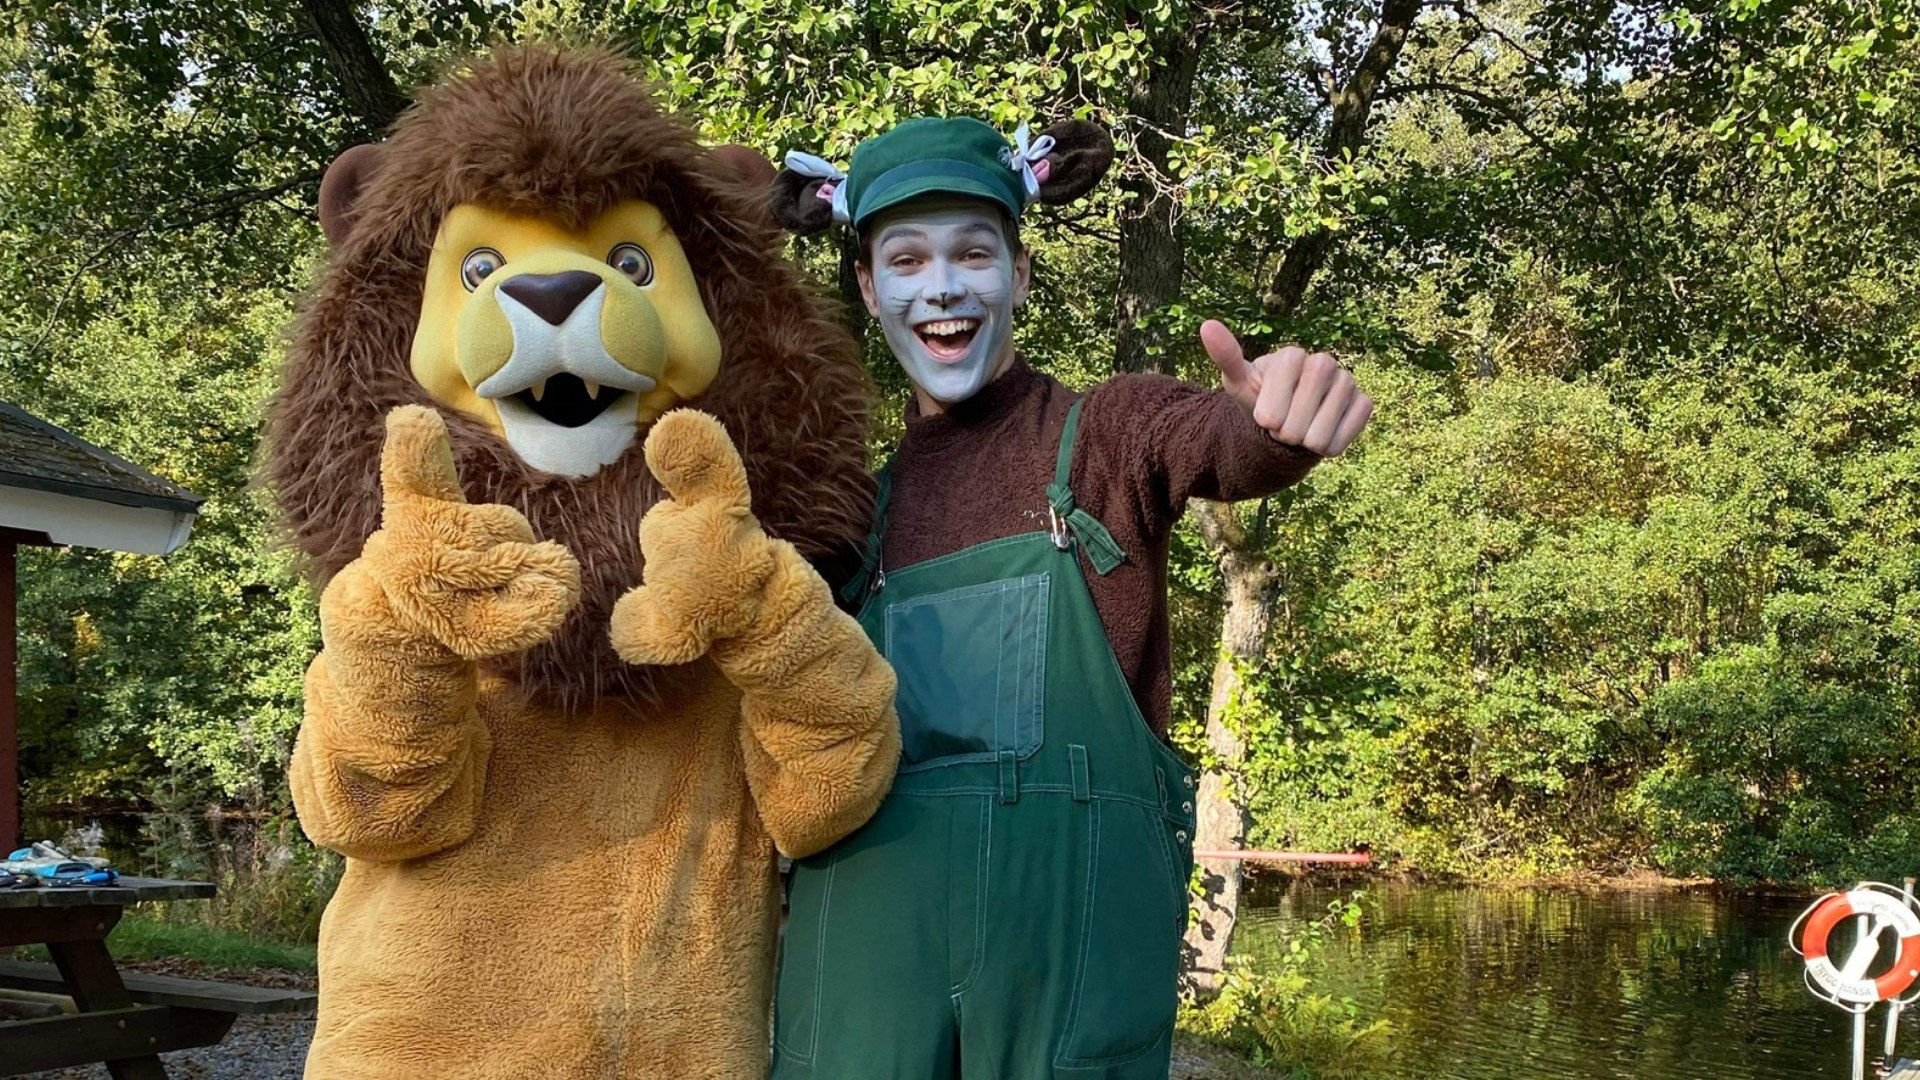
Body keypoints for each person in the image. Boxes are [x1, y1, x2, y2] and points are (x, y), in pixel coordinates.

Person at [766, 117, 1372, 1080]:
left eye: (974, 253)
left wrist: (1281, 420)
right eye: (907, 259)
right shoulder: (842, 516)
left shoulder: (1108, 438)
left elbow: (1215, 439)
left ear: (1019, 273)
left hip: (1068, 984)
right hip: (863, 988)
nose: (943, 287)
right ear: (870, 289)